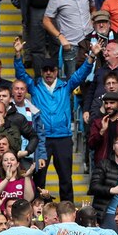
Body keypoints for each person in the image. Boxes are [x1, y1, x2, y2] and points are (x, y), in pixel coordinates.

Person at [14, 37, 101, 202]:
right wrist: (18, 55)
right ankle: (39, 210)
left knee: (66, 179)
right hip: (42, 139)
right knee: (39, 178)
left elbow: (81, 74)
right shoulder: (34, 87)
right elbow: (21, 74)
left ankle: (67, 211)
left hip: (63, 138)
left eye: (51, 70)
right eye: (45, 70)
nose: (48, 73)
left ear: (56, 71)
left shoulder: (65, 86)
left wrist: (91, 57)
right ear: (41, 72)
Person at [42, 0, 94, 77]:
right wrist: (60, 37)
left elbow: (93, 9)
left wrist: (92, 22)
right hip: (71, 45)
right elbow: (46, 21)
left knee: (91, 77)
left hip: (89, 43)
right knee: (72, 80)